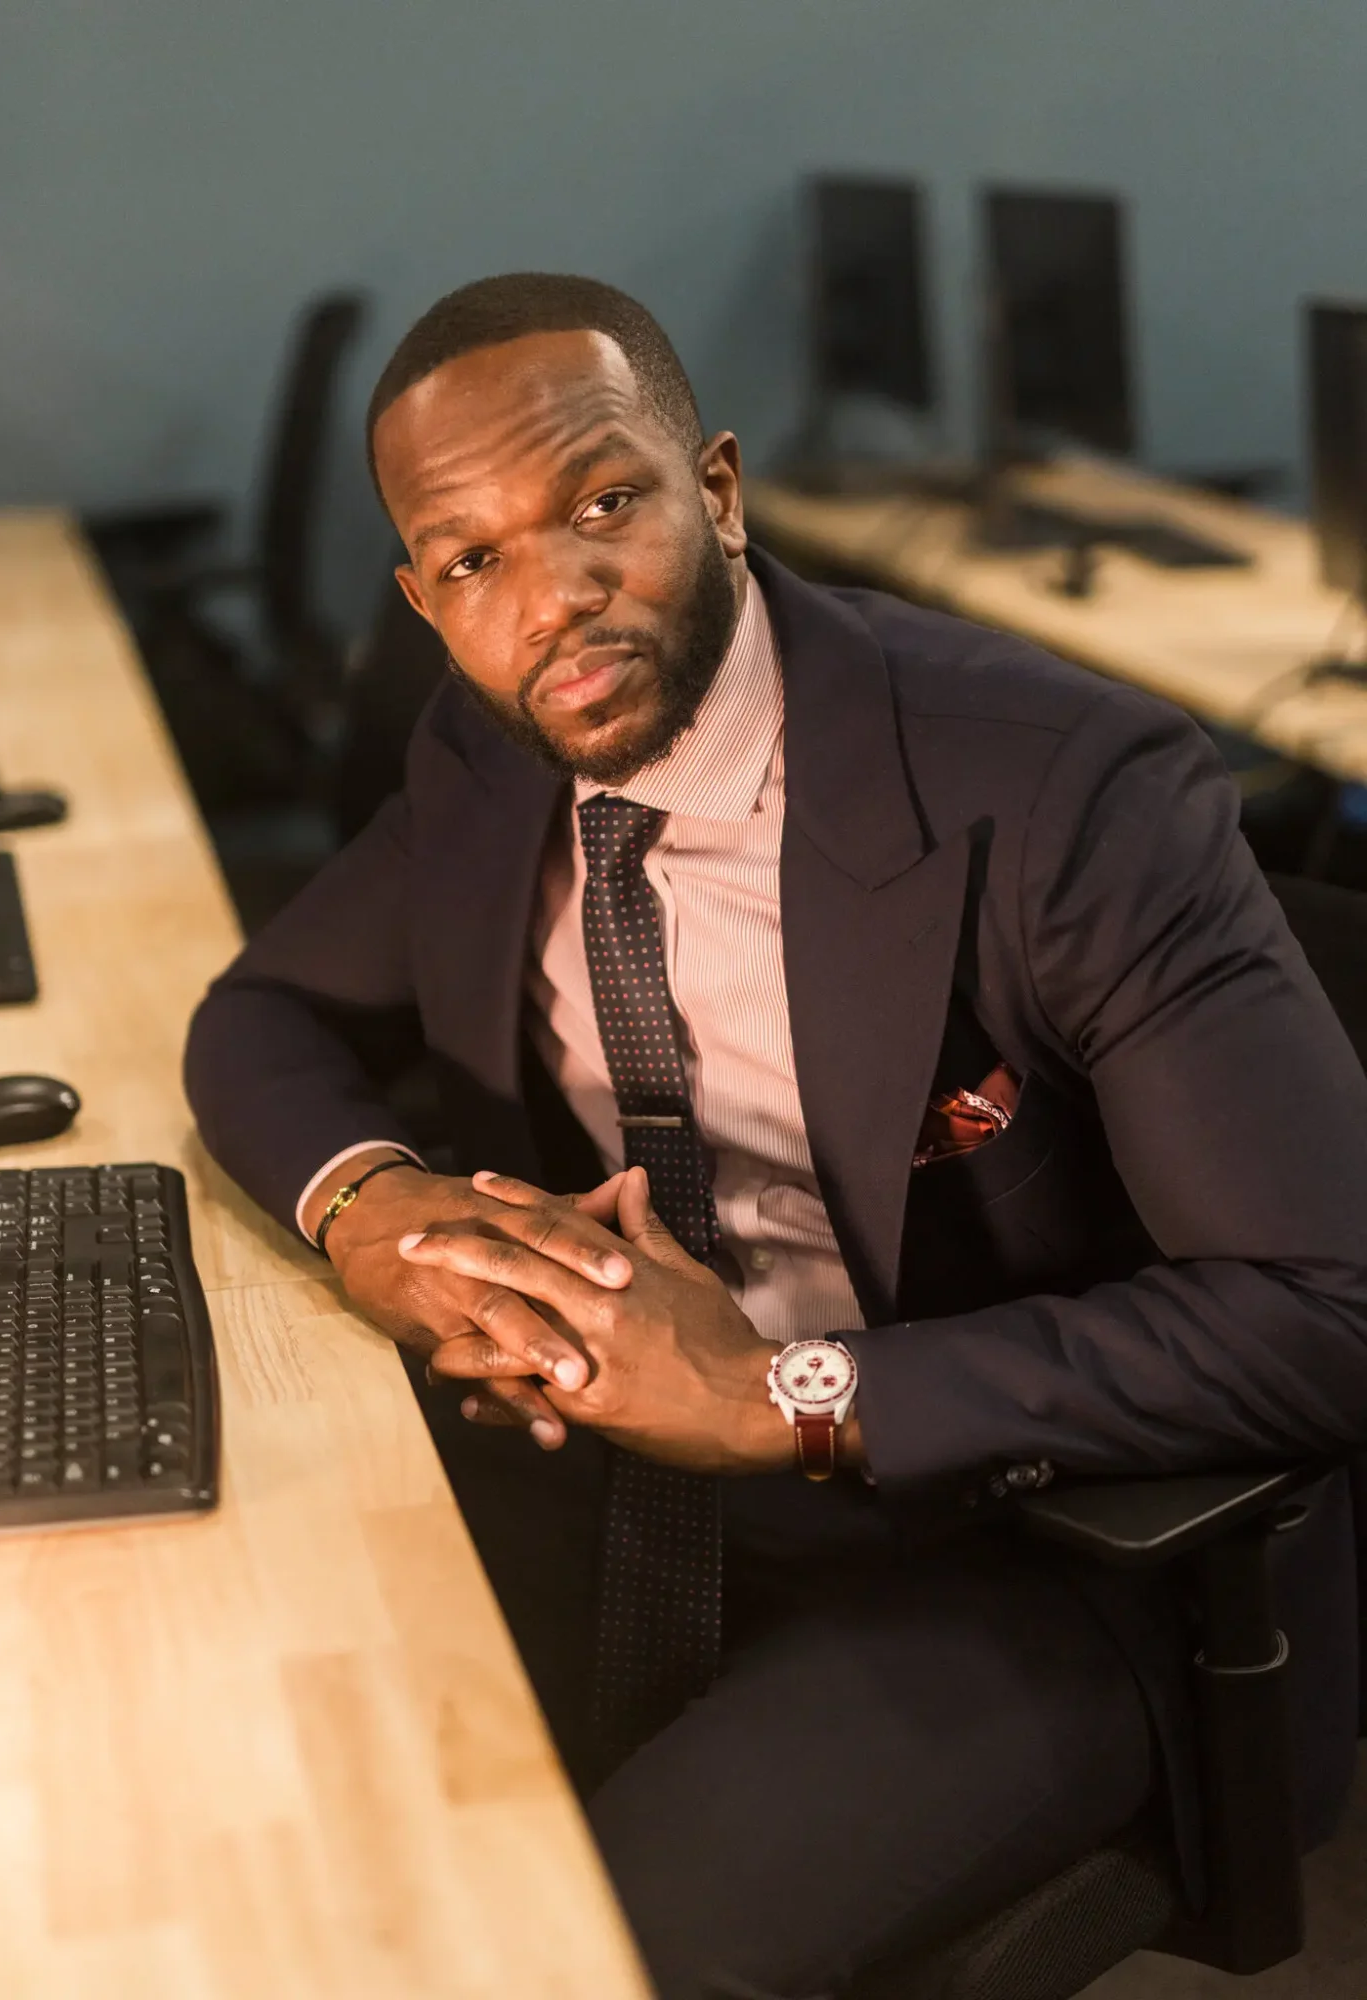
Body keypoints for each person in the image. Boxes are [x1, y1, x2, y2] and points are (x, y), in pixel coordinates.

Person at [185, 273, 1367, 1999]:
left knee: (583, 1963)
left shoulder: (1062, 790)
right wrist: (377, 1212)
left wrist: (774, 1400)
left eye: (604, 505)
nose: (556, 596)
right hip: (605, 1474)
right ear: (425, 599)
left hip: (1004, 1540)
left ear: (718, 492)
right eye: (474, 558)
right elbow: (259, 1016)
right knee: (274, 1836)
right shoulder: (503, 736)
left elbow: (1327, 1307)